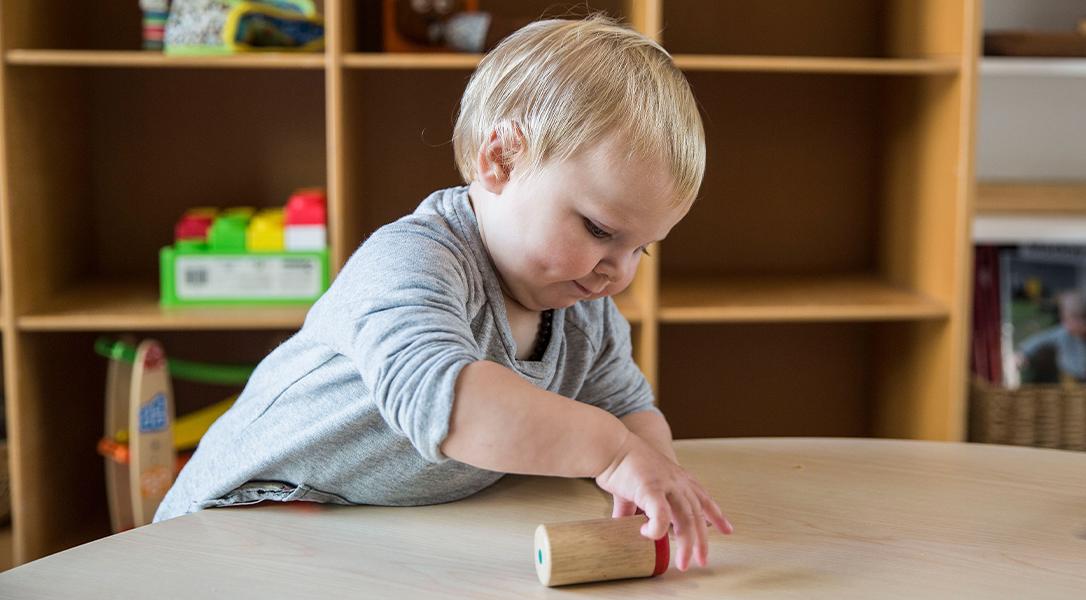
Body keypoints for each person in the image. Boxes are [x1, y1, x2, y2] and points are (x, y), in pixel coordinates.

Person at [155, 14, 734, 572]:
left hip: (361, 532)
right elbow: (449, 403)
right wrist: (612, 454)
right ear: (502, 159)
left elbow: (629, 410)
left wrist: (658, 479)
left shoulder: (587, 313)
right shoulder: (411, 260)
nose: (619, 272)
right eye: (601, 231)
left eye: (642, 248)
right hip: (244, 520)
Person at [1015, 290, 1086, 382]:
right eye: (1077, 321)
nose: (1083, 326)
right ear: (1065, 321)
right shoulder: (1062, 334)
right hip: (1069, 375)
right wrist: (1024, 353)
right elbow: (1039, 340)